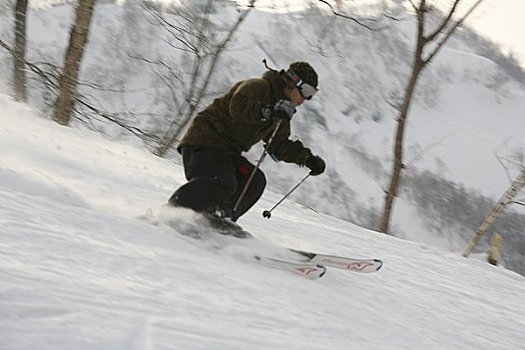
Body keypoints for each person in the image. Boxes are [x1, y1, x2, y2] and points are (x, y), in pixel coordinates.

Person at [168, 61, 326, 230]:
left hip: (227, 153)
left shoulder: (282, 110)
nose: (306, 99)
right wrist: (268, 111)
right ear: (293, 81)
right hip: (204, 142)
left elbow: (278, 145)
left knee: (254, 181)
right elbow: (237, 108)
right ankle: (173, 212)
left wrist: (306, 158)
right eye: (307, 92)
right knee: (224, 181)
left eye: (312, 94)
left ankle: (218, 219)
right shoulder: (257, 87)